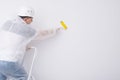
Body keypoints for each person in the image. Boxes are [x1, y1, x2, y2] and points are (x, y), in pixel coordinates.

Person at [0, 6, 62, 80]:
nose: (32, 21)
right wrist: (55, 30)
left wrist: (24, 47)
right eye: (31, 19)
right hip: (10, 61)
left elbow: (10, 41)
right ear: (26, 19)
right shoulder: (26, 29)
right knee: (23, 77)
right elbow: (42, 34)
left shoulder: (8, 23)